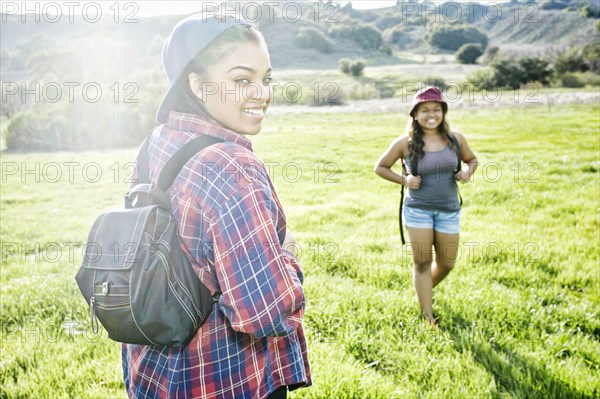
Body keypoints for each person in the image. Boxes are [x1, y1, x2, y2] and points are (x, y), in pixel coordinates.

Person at [121, 12, 311, 399]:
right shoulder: (231, 166)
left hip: (155, 372)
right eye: (242, 80)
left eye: (266, 79)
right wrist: (286, 255)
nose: (262, 93)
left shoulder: (156, 141)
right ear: (197, 83)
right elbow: (265, 312)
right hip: (224, 379)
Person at [374, 86, 478, 327]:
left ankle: (423, 291)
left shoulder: (455, 140)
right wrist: (405, 180)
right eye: (424, 110)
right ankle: (427, 314)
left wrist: (467, 172)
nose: (431, 115)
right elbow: (380, 167)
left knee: (447, 263)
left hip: (448, 210)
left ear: (443, 112)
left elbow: (472, 160)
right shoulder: (405, 143)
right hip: (418, 210)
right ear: (415, 114)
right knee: (421, 263)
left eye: (436, 109)